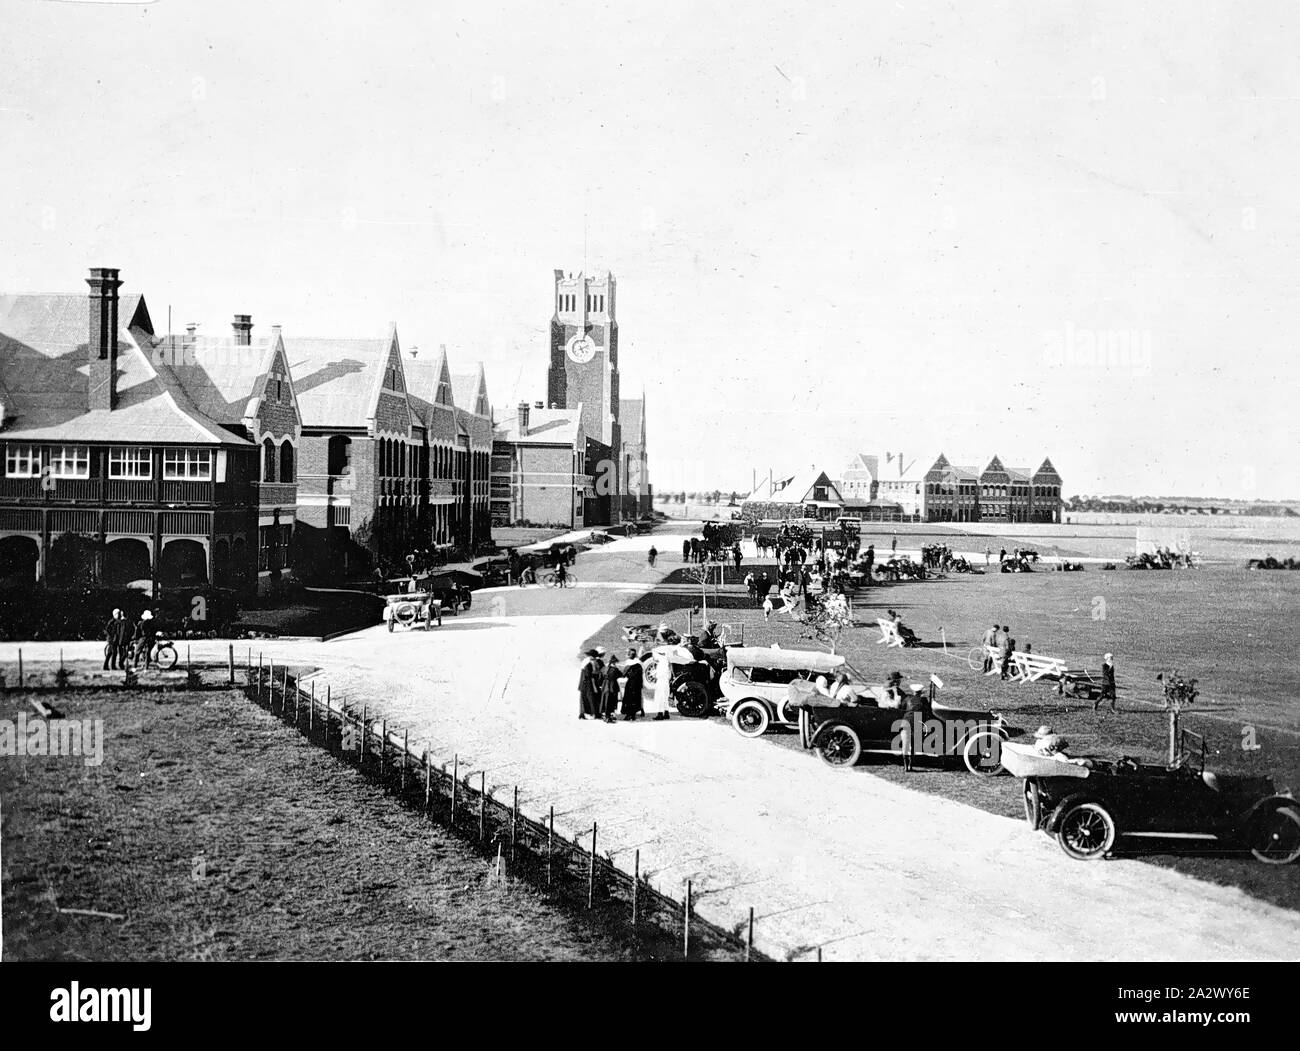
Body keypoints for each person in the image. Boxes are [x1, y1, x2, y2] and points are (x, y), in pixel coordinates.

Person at [620, 648, 645, 720]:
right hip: (637, 684)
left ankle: (628, 714)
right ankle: (633, 714)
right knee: (636, 699)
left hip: (630, 684)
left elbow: (623, 674)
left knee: (628, 699)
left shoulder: (628, 664)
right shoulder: (639, 663)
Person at [577, 649, 602, 720]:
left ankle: (584, 713)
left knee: (584, 698)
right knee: (590, 698)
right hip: (589, 682)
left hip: (584, 682)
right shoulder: (591, 663)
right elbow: (591, 674)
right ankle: (593, 713)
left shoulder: (587, 661)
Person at [600, 652, 622, 723]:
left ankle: (606, 716)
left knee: (605, 701)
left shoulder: (604, 668)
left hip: (605, 686)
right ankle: (609, 716)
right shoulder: (615, 669)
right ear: (614, 662)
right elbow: (620, 675)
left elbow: (600, 678)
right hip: (613, 686)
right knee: (612, 701)